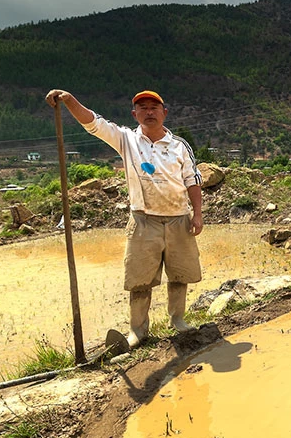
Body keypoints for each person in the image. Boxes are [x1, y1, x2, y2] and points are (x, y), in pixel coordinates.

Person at [46, 89, 203, 348]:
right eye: (143, 108)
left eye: (154, 107)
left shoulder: (179, 146)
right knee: (140, 280)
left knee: (180, 274)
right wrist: (69, 99)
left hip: (179, 218)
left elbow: (192, 180)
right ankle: (137, 331)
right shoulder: (126, 139)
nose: (149, 112)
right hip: (143, 220)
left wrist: (197, 214)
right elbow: (93, 123)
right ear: (134, 114)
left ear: (164, 112)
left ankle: (178, 320)